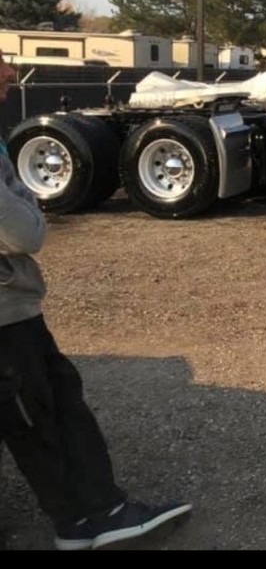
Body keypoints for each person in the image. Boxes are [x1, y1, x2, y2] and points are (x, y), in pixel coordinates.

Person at [0, 52, 192, 550]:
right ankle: (88, 519)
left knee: (56, 403)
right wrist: (25, 201)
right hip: (5, 316)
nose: (10, 76)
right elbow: (25, 231)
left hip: (16, 308)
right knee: (37, 418)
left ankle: (93, 515)